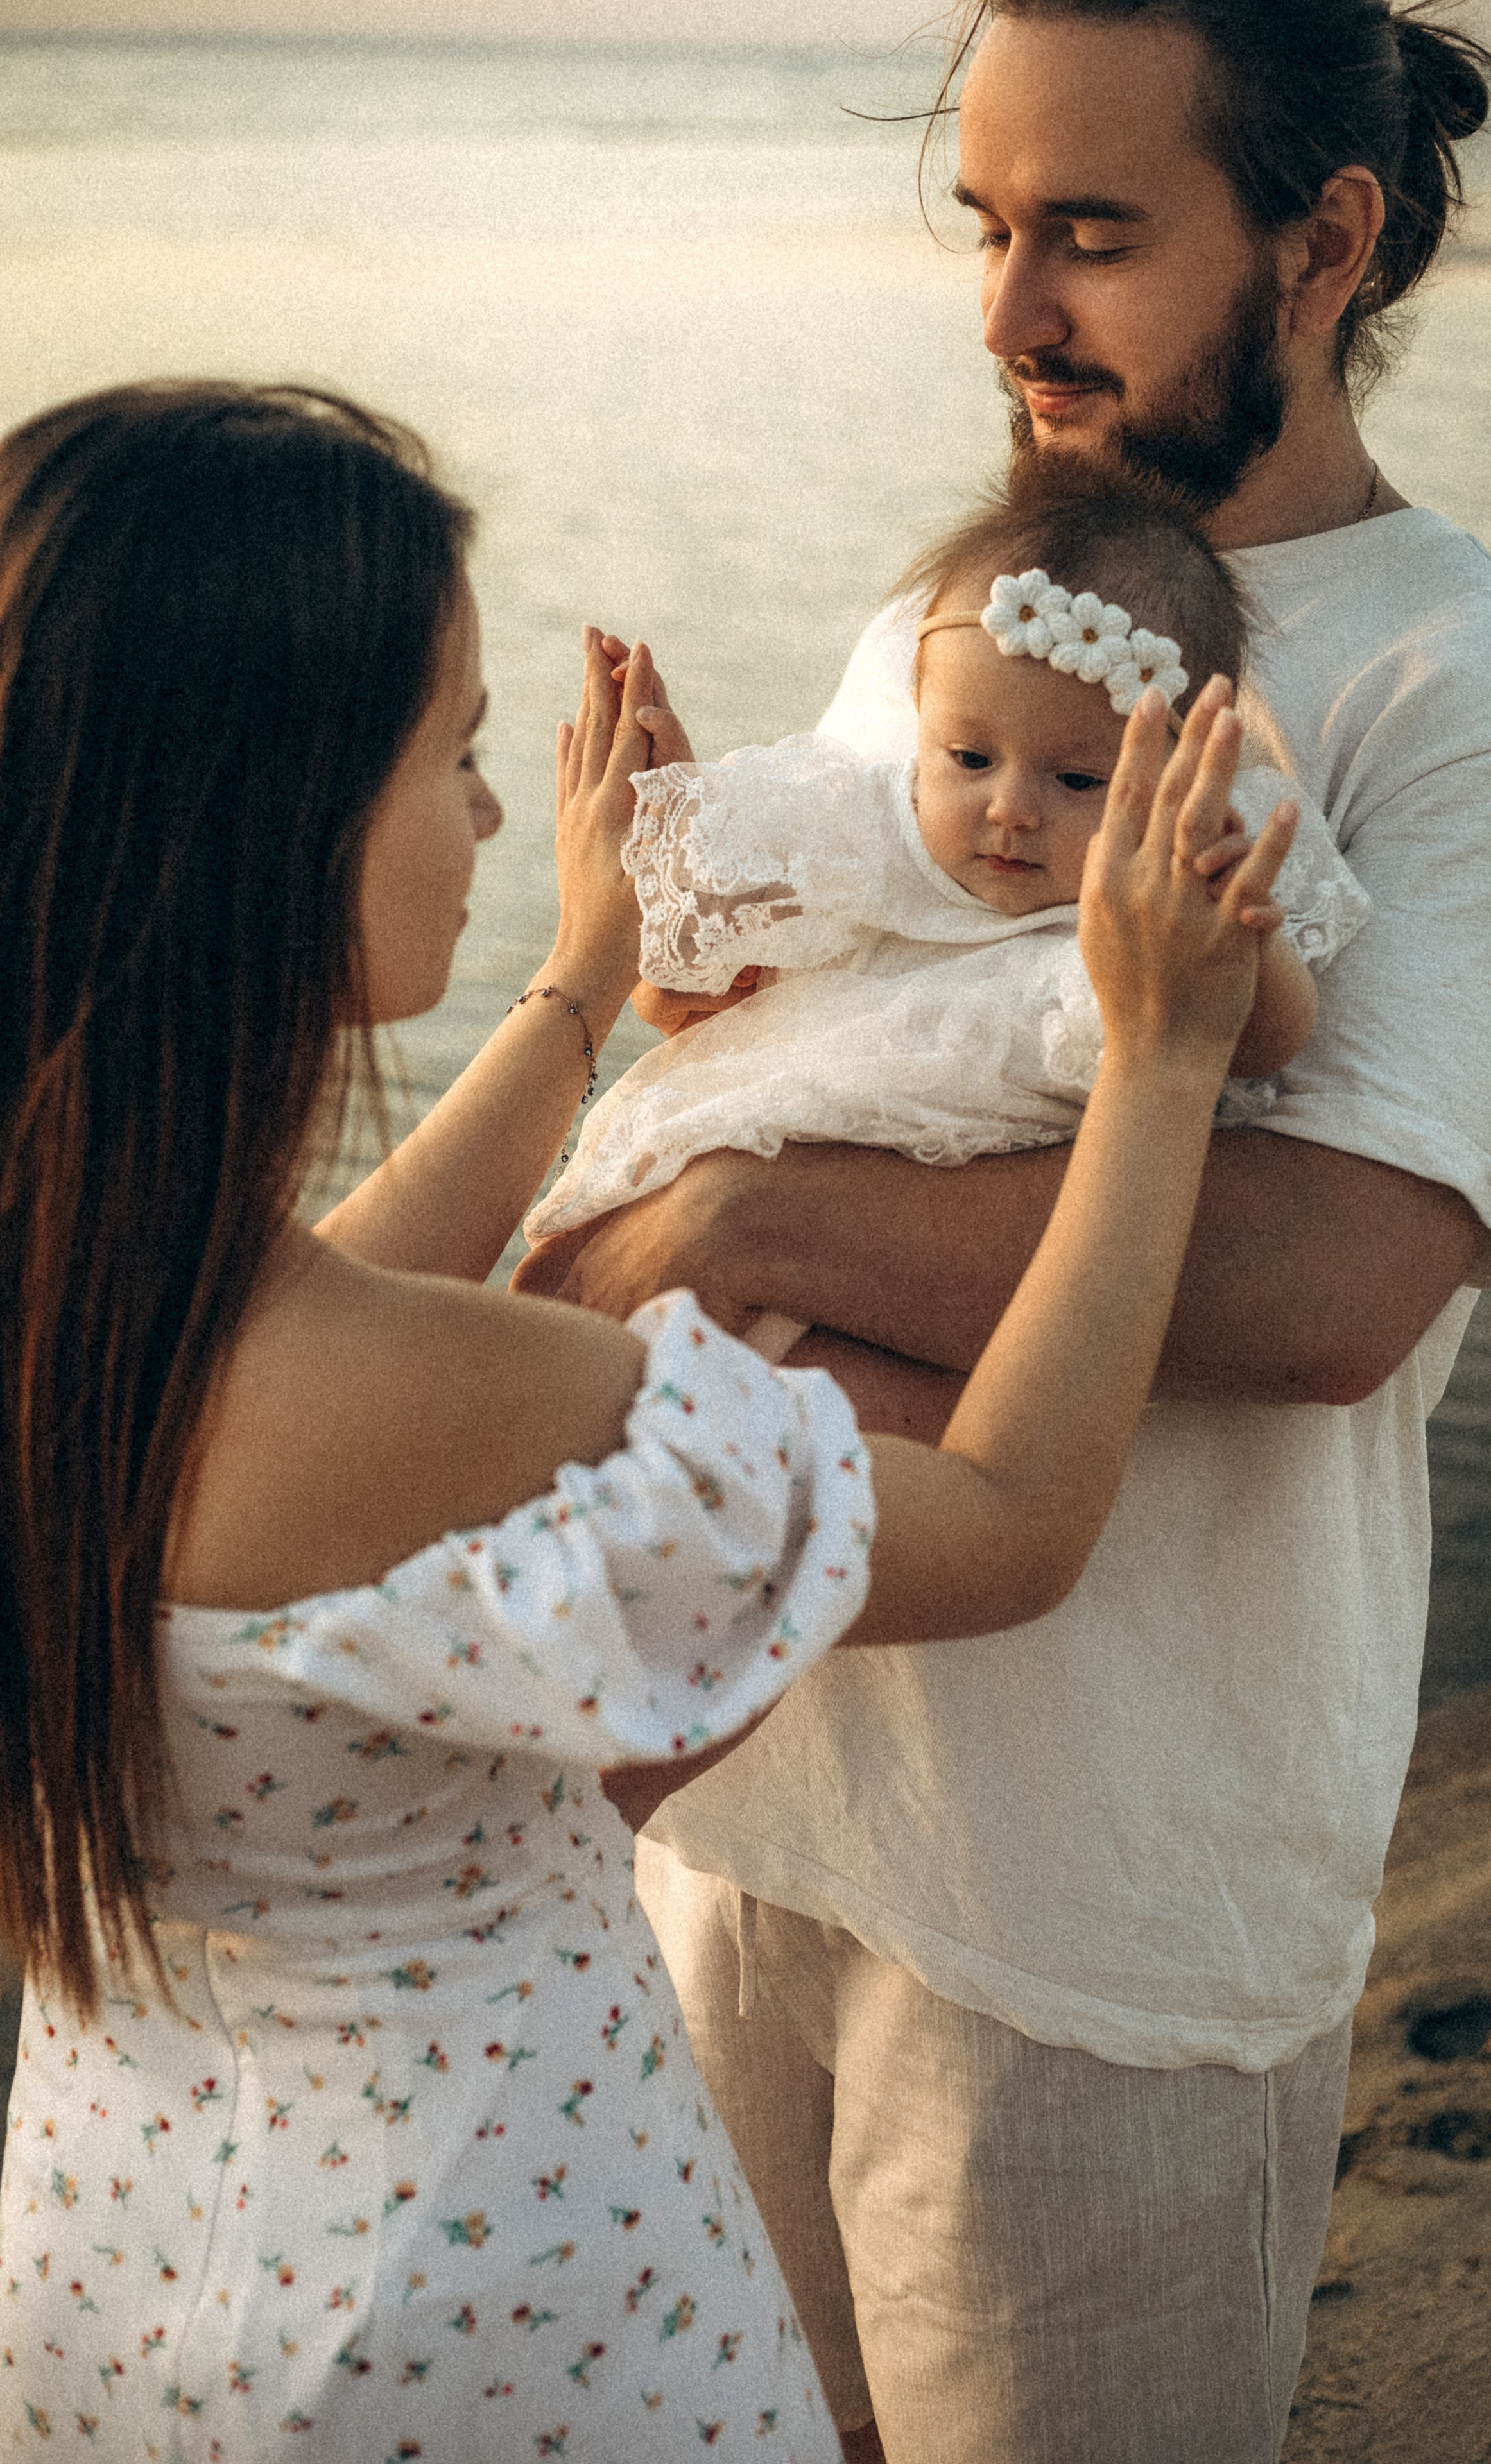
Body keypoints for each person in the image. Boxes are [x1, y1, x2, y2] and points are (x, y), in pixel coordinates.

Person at [513, 6, 1491, 2460]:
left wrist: (727, 1225)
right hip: (736, 1813)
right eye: (991, 228)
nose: (1010, 314)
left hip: (1096, 1924)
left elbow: (1336, 1289)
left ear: (1324, 241)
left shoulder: (1490, 706)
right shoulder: (984, 610)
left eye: (1095, 236)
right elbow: (844, 1023)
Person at [0, 380, 1291, 2461]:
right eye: (462, 757)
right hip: (501, 2322)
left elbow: (342, 1265)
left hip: (106, 2262)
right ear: (283, 821)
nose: (508, 822)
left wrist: (590, 979)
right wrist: (1157, 1063)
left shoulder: (94, 1314)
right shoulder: (485, 1404)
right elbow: (1011, 1517)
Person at [521, 484, 1371, 1381]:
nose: (1010, 808)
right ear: (922, 724)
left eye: (1079, 781)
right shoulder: (866, 831)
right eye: (969, 759)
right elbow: (681, 985)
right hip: (766, 1159)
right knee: (618, 1376)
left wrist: (1238, 932)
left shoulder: (1153, 909)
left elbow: (1267, 1043)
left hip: (945, 1265)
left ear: (1179, 775)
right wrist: (684, 846)